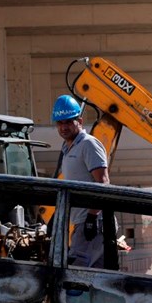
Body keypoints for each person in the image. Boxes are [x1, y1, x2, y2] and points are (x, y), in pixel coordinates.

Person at [52, 94, 111, 268]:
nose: (64, 127)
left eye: (69, 122)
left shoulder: (88, 144)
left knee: (75, 275)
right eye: (60, 123)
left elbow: (103, 182)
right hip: (80, 222)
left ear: (80, 120)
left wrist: (92, 217)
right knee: (93, 277)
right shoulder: (68, 148)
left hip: (92, 222)